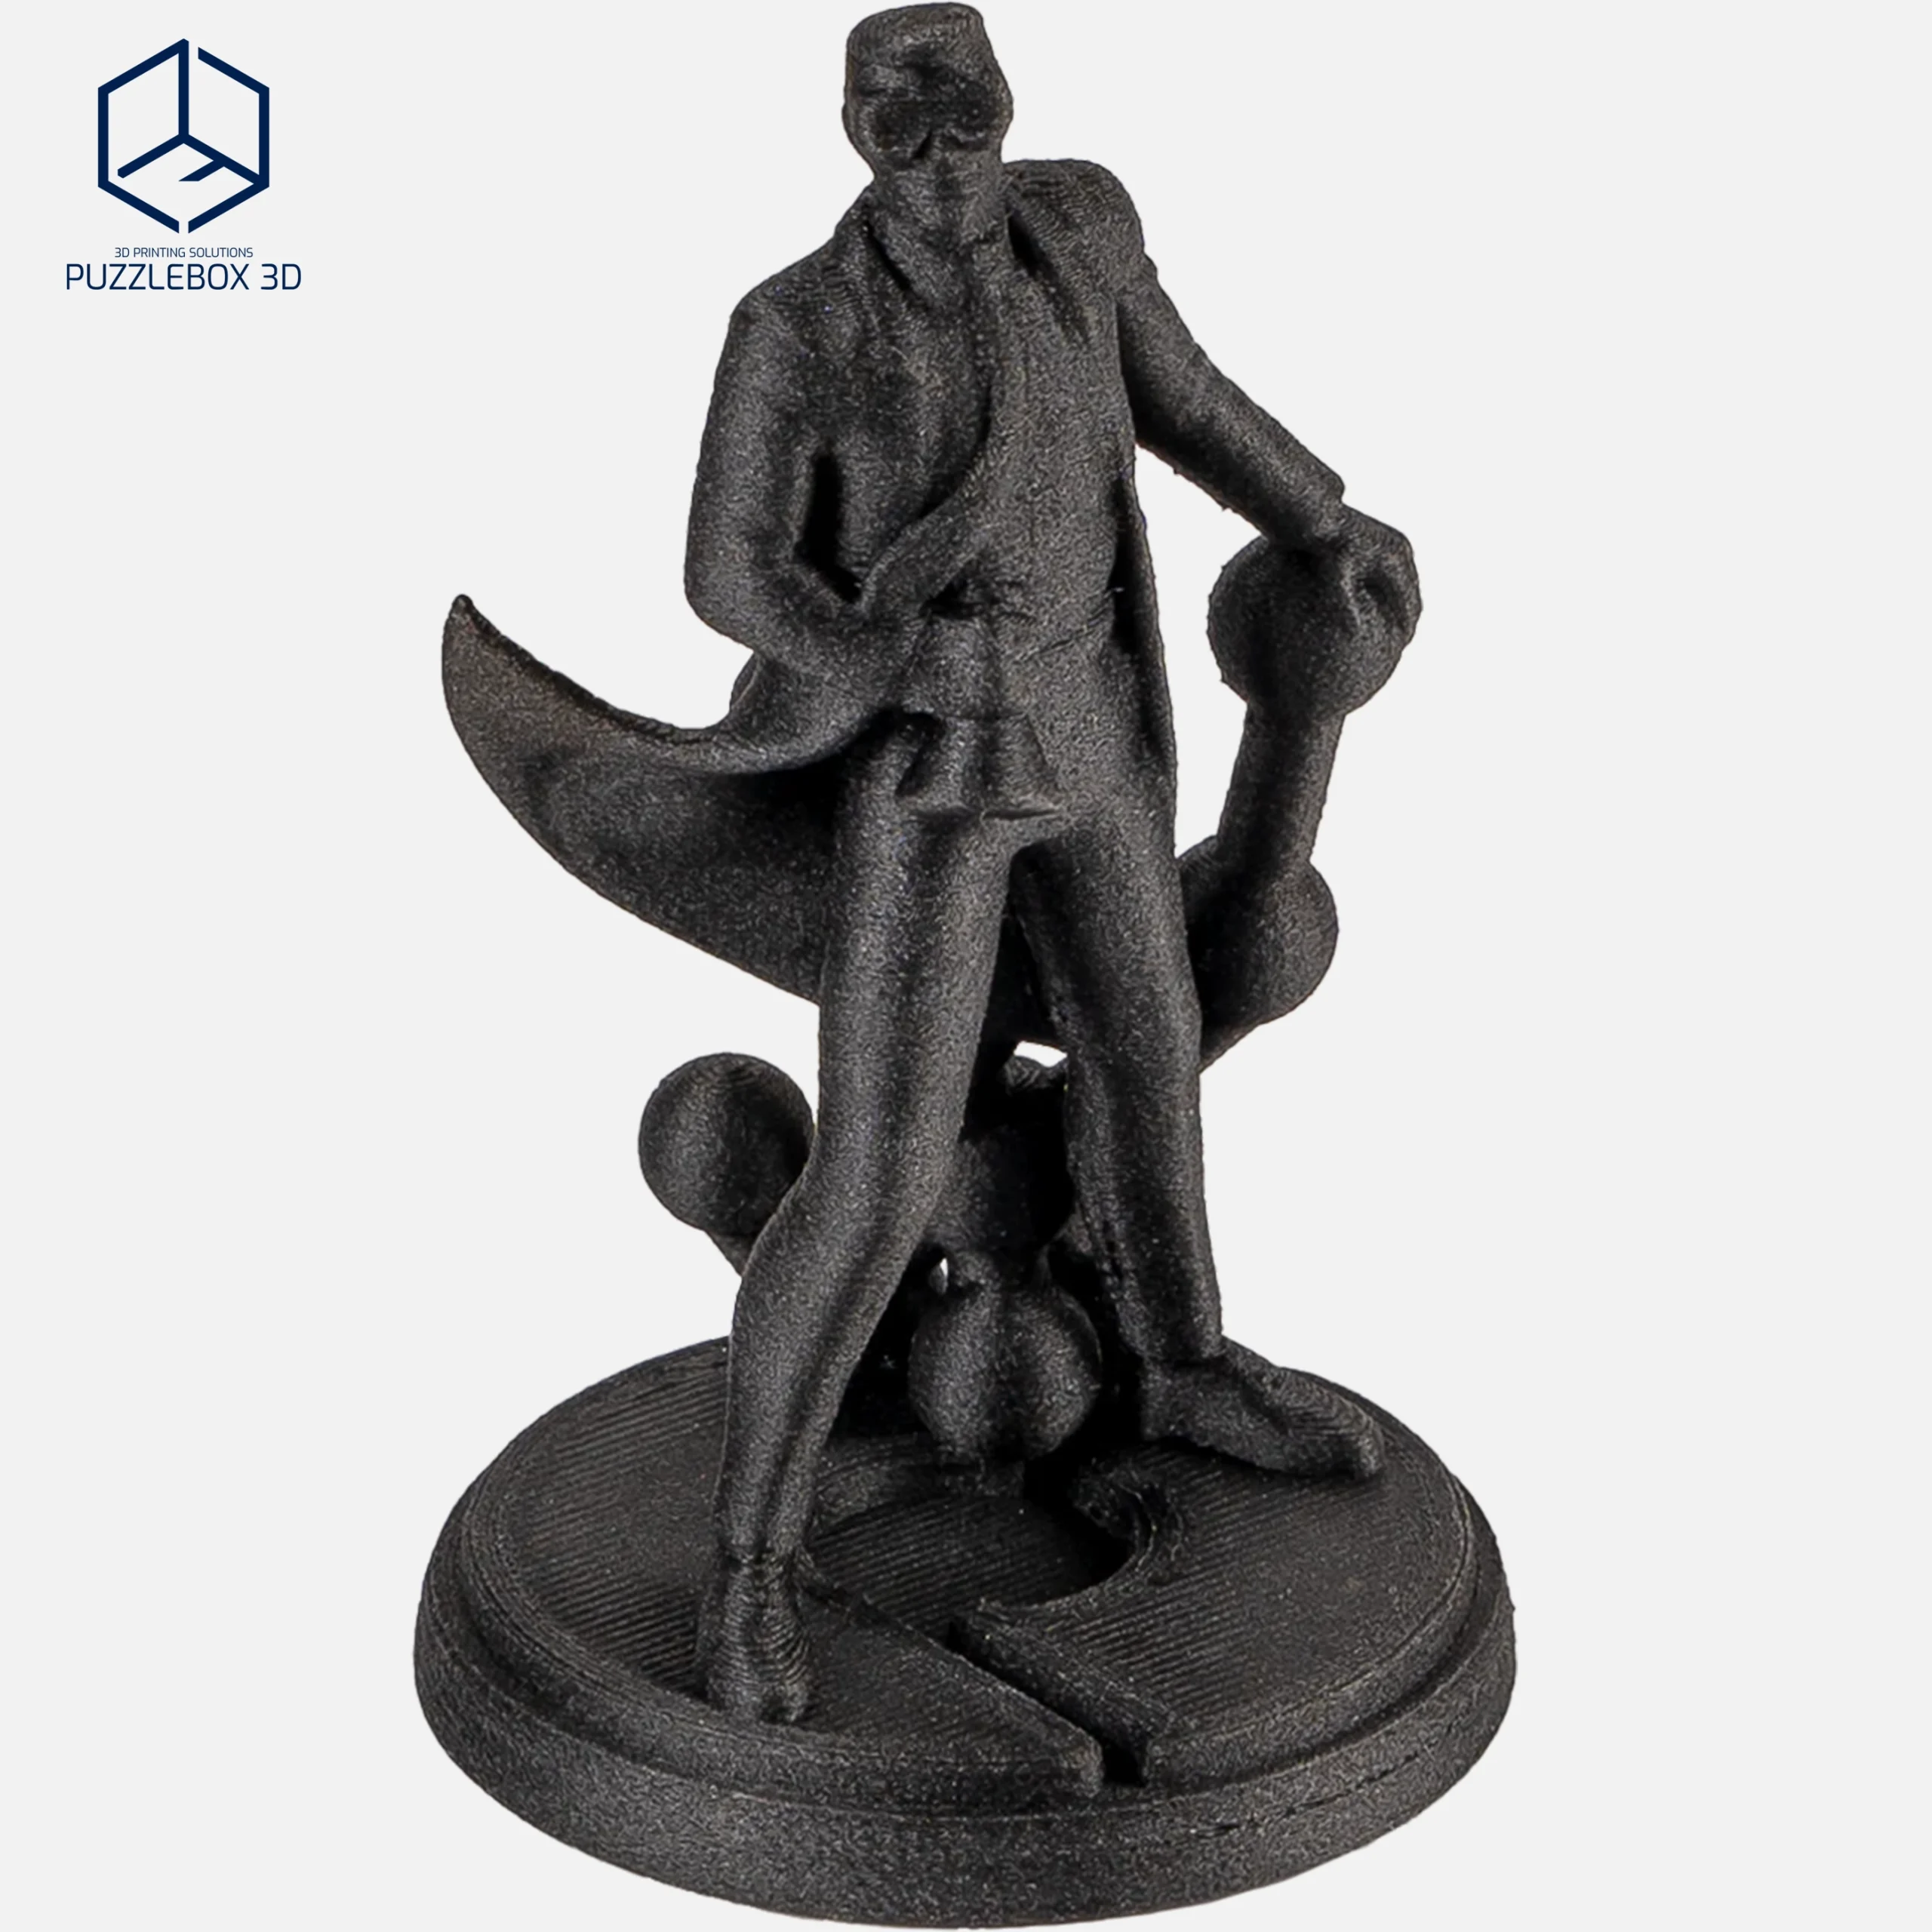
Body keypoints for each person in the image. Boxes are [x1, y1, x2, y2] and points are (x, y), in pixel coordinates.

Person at [685, 3, 1422, 1720]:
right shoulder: (795, 327)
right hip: (933, 774)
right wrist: (907, 660)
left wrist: (1323, 514)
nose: (941, 152)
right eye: (900, 125)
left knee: (1146, 1057)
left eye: (965, 114)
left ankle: (1180, 1362)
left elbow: (1184, 398)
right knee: (874, 1171)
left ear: (1009, 107)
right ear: (855, 137)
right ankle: (748, 1567)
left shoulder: (1079, 229)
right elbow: (729, 574)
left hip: (1092, 732)